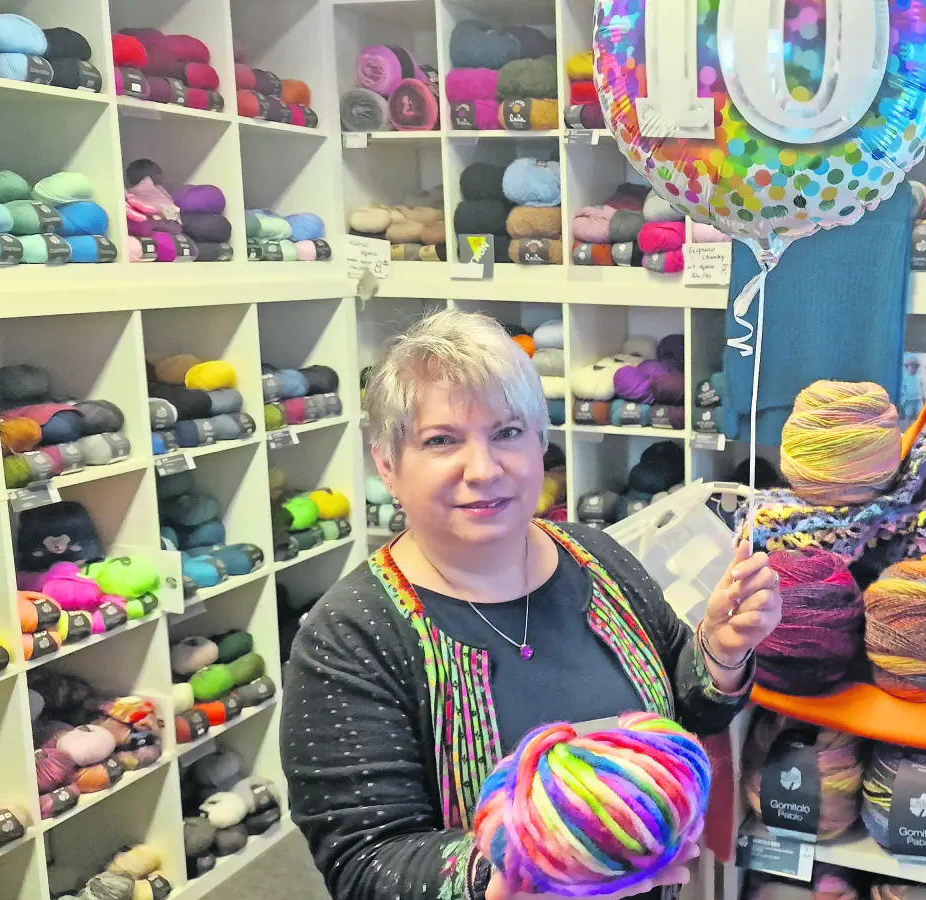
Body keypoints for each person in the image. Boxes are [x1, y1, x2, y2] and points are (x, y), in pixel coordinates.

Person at [283, 310, 782, 900]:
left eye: (508, 432)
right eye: (442, 440)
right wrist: (531, 866)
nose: (484, 468)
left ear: (541, 443)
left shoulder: (597, 560)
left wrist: (720, 651)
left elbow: (686, 712)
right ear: (388, 465)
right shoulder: (351, 636)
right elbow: (364, 859)